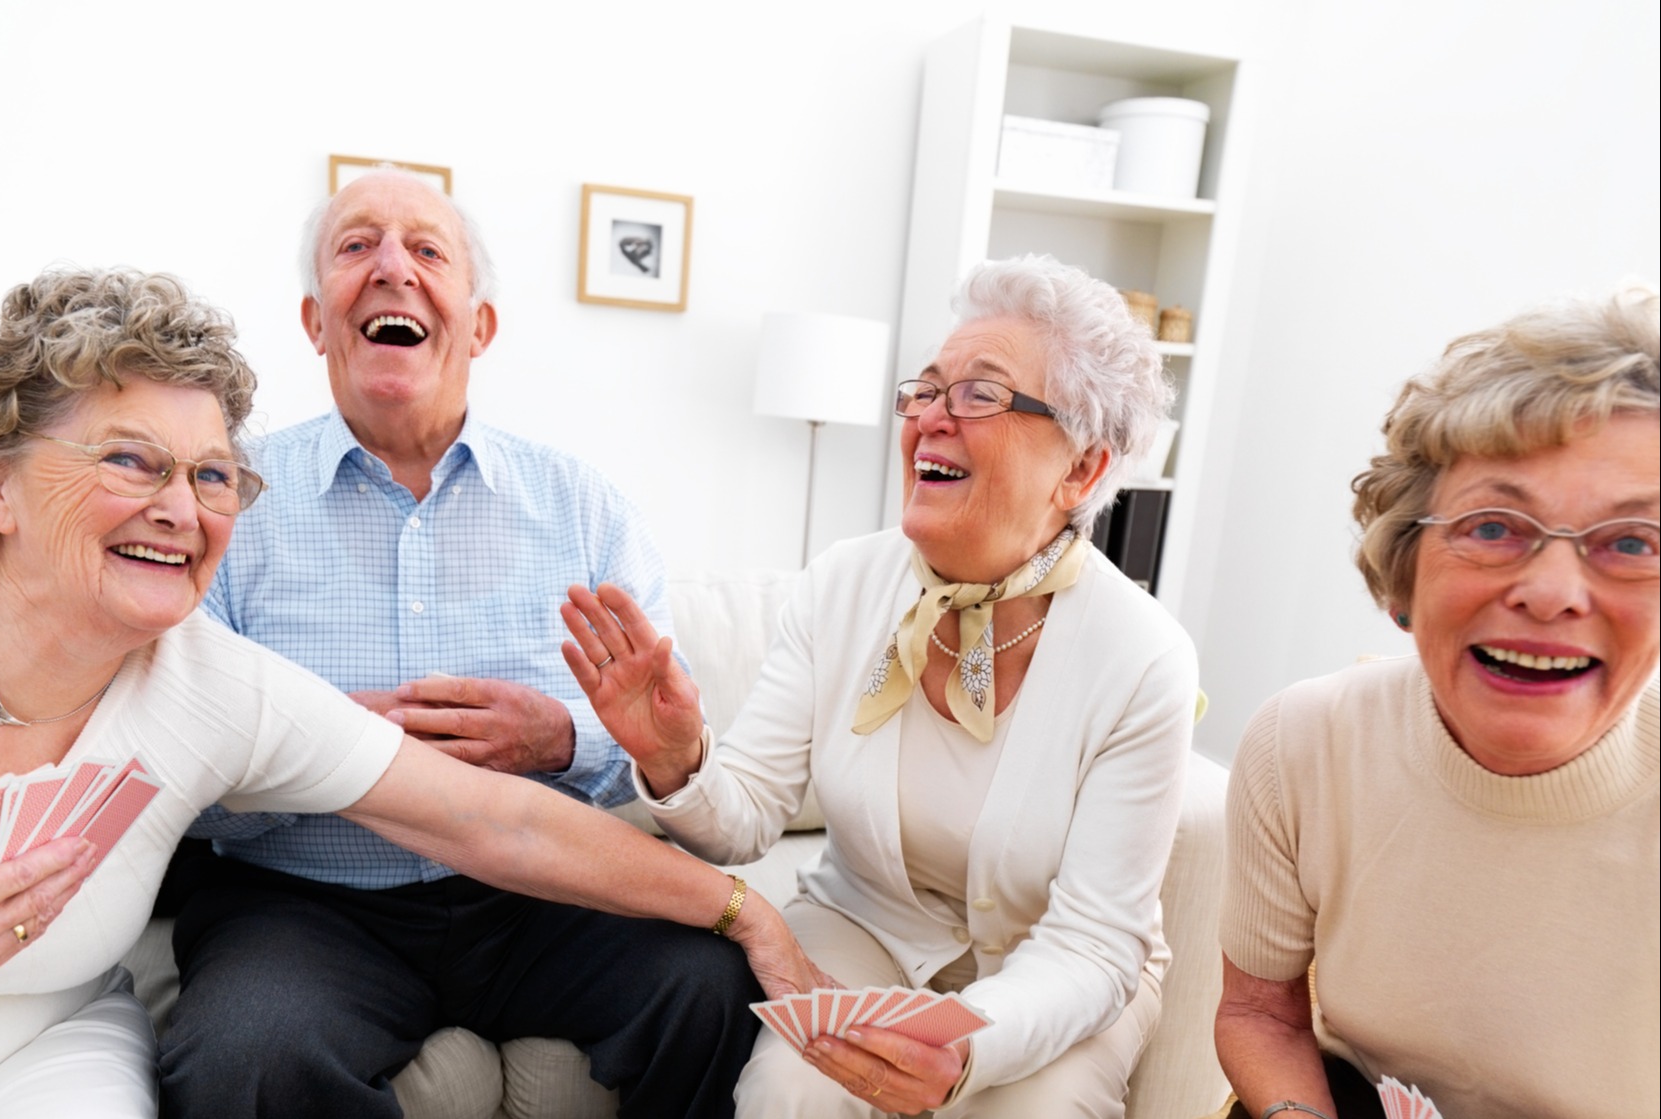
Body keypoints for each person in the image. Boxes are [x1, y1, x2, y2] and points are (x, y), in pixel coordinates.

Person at [0, 268, 818, 1119]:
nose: (181, 510)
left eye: (209, 476)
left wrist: (743, 911)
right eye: (128, 460)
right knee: (253, 1044)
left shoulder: (206, 682)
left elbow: (490, 819)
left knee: (699, 983)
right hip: (281, 910)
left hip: (37, 1052)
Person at [156, 169, 766, 1119]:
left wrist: (563, 739)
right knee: (242, 1053)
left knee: (711, 987)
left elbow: (646, 742)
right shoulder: (225, 504)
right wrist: (316, 747)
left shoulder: (584, 510)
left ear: (477, 326)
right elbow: (180, 775)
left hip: (538, 891)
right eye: (357, 246)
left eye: (427, 250)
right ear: (317, 322)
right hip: (306, 904)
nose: (392, 267)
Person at [561, 254, 1198, 1117]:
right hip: (865, 930)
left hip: (1057, 972)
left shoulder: (1143, 655)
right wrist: (676, 759)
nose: (932, 418)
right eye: (926, 391)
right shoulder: (841, 585)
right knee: (789, 1092)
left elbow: (1093, 942)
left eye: (980, 394)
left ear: (1081, 470)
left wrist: (966, 1044)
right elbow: (744, 814)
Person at [1213, 283, 1659, 1119]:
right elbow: (1256, 1014)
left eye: (1631, 542)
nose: (1551, 590)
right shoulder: (1303, 741)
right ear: (1402, 574)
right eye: (1493, 526)